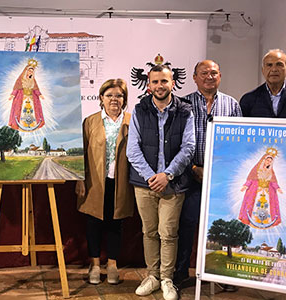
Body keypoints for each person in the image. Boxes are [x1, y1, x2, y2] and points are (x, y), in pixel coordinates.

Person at [126, 64, 195, 300]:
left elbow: (188, 148)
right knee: (149, 232)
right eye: (155, 82)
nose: (159, 86)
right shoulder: (139, 109)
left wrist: (167, 174)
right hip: (144, 184)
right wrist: (150, 176)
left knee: (168, 233)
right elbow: (132, 149)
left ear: (172, 83)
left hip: (173, 185)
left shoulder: (185, 111)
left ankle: (167, 279)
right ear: (149, 85)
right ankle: (152, 276)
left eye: (164, 81)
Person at [174, 60, 242, 286]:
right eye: (204, 73)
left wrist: (220, 170)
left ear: (220, 76)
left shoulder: (232, 105)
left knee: (221, 226)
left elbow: (239, 143)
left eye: (214, 73)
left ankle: (222, 275)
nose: (209, 77)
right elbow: (176, 143)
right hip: (191, 175)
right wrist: (194, 168)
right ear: (194, 78)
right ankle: (182, 272)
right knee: (188, 223)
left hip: (221, 177)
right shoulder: (182, 104)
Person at [75, 79, 134, 285]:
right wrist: (80, 179)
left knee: (115, 223)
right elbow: (80, 154)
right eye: (109, 95)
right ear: (101, 98)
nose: (114, 99)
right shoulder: (90, 121)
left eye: (119, 96)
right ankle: (95, 265)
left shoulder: (131, 121)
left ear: (124, 99)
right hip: (94, 182)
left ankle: (112, 265)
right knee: (93, 223)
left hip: (120, 182)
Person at [240, 49, 286, 118]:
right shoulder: (249, 99)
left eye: (279, 64)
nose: (274, 69)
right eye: (269, 65)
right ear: (263, 70)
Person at [238, 147, 283, 229]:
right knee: (254, 206)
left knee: (267, 207)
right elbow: (250, 179)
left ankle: (267, 221)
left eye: (270, 161)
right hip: (256, 191)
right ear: (263, 160)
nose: (268, 162)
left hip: (267, 192)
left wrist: (277, 188)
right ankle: (253, 220)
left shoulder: (271, 172)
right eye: (267, 160)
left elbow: (273, 182)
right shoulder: (256, 170)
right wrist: (245, 186)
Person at [8, 58, 45, 132]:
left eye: (32, 71)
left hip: (31, 98)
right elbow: (16, 88)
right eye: (29, 70)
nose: (31, 72)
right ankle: (20, 125)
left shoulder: (32, 80)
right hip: (22, 98)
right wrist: (12, 95)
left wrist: (40, 95)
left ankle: (33, 125)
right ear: (26, 71)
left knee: (33, 112)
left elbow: (36, 89)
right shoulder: (21, 79)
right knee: (21, 112)